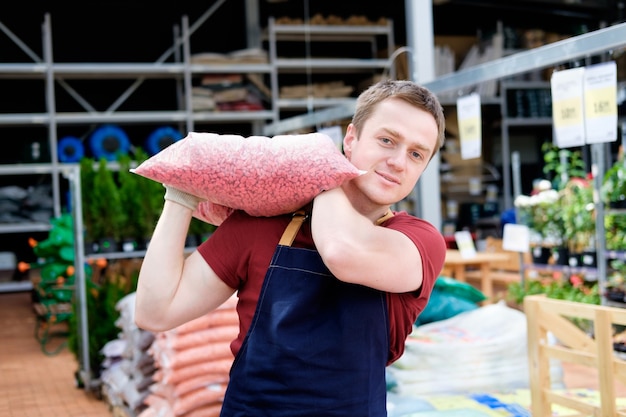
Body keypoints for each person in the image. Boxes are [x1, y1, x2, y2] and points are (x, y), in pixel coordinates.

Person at [135, 79, 447, 416]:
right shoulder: (261, 225)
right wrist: (179, 195)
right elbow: (155, 311)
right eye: (387, 140)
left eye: (417, 154)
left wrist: (320, 170)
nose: (399, 162)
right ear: (351, 138)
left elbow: (341, 252)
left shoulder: (418, 242)